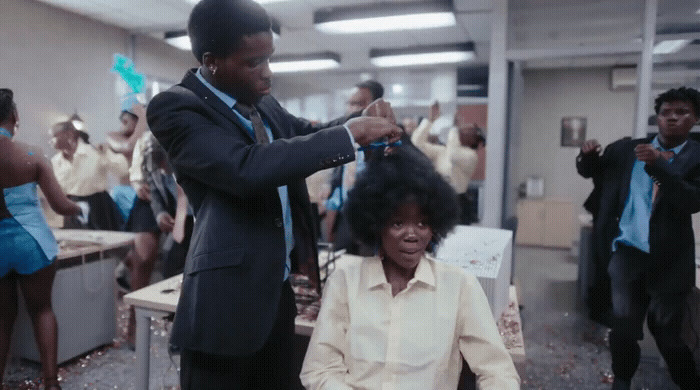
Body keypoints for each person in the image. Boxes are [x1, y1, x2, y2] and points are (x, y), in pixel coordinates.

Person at [145, 0, 401, 388]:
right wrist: (350, 136)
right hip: (224, 301)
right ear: (212, 61)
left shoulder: (259, 100)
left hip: (275, 289)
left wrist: (360, 121)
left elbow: (303, 133)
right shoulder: (176, 108)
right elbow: (245, 167)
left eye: (269, 59)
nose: (267, 74)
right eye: (253, 63)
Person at [300, 146, 520, 389]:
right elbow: (320, 369)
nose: (412, 235)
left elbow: (499, 371)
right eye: (397, 223)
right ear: (376, 225)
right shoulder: (346, 282)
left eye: (422, 223)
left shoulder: (459, 287)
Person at [577, 87, 700, 390]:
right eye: (665, 113)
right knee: (623, 332)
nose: (671, 119)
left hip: (670, 263)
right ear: (657, 118)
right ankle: (621, 382)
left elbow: (691, 201)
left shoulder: (697, 158)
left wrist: (660, 166)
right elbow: (593, 173)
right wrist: (587, 156)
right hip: (627, 255)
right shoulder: (626, 149)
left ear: (695, 119)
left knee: (668, 336)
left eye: (681, 113)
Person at [0, 88, 82, 390]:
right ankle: (50, 383)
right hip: (31, 242)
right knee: (42, 310)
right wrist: (79, 207)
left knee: (2, 318)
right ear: (14, 115)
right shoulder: (31, 154)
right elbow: (61, 205)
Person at [323, 79, 386, 253]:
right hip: (345, 217)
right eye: (349, 104)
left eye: (358, 104)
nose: (352, 109)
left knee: (371, 273)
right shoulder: (346, 137)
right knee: (342, 269)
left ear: (376, 106)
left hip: (374, 218)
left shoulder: (389, 139)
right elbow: (339, 175)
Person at [49, 119, 128, 230]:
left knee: (103, 244)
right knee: (74, 244)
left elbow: (122, 170)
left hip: (98, 207)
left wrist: (106, 153)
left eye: (54, 136)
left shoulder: (95, 151)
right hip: (72, 209)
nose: (50, 141)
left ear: (69, 134)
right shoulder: (55, 161)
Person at [412, 101, 479, 224]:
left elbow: (453, 155)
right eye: (463, 129)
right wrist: (430, 121)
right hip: (439, 201)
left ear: (473, 140)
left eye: (469, 131)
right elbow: (417, 144)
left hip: (458, 204)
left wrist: (454, 129)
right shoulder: (442, 151)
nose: (463, 131)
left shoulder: (471, 156)